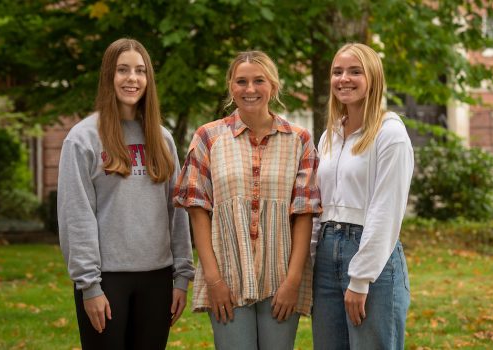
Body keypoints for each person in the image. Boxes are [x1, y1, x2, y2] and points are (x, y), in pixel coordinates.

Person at [174, 50, 321, 350]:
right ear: (230, 86)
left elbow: (304, 215)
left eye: (259, 81)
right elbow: (198, 212)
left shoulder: (299, 140)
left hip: (281, 277)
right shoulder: (208, 138)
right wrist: (214, 281)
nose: (250, 89)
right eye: (241, 81)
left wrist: (293, 282)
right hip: (227, 276)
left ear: (273, 86)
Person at [57, 38, 194, 350]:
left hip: (158, 279)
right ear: (109, 76)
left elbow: (177, 212)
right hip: (106, 280)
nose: (132, 78)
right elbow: (76, 216)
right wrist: (89, 286)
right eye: (123, 70)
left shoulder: (162, 138)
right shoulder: (83, 139)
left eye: (140, 71)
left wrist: (182, 277)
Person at [311, 43, 414, 350]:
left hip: (371, 260)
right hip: (326, 260)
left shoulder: (390, 133)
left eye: (355, 71)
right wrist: (311, 261)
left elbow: (386, 210)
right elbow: (320, 205)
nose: (344, 78)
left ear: (373, 78)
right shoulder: (329, 135)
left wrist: (360, 278)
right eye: (337, 72)